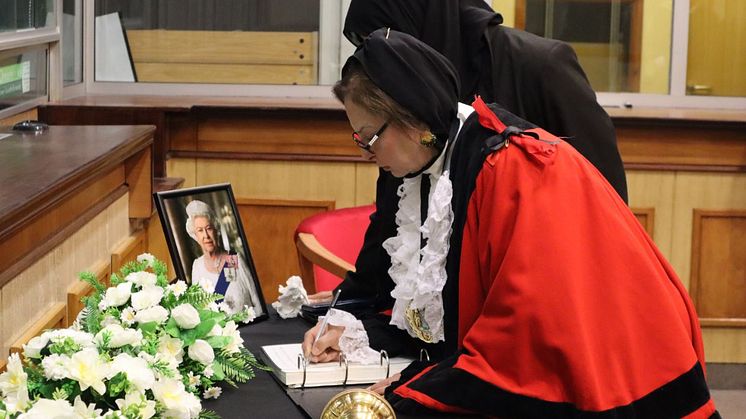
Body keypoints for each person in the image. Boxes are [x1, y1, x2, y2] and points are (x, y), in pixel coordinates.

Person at [302, 28, 718, 418]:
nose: (365, 153)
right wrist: (359, 333)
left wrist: (417, 386)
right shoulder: (433, 166)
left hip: (618, 376)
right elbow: (440, 314)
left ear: (411, 118)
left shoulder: (511, 169)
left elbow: (526, 339)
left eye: (369, 137)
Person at [342, 0, 627, 202]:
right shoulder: (409, 97)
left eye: (385, 45)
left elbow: (605, 190)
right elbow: (393, 209)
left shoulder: (541, 67)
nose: (378, 66)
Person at [185, 200, 262, 316]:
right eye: (200, 230)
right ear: (195, 236)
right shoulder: (197, 266)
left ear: (216, 230)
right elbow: (198, 311)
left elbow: (257, 302)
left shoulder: (234, 260)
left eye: (209, 228)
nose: (206, 236)